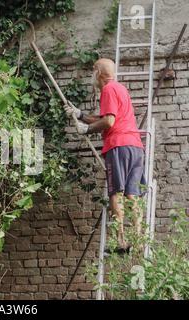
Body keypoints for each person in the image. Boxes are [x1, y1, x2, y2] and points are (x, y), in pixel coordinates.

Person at [65, 58, 146, 254]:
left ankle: (120, 241)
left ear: (98, 73)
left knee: (116, 193)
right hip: (135, 147)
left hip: (118, 146)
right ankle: (138, 239)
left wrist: (87, 129)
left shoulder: (108, 89)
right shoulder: (120, 89)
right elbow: (108, 118)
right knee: (132, 194)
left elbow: (108, 122)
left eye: (93, 70)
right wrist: (81, 114)